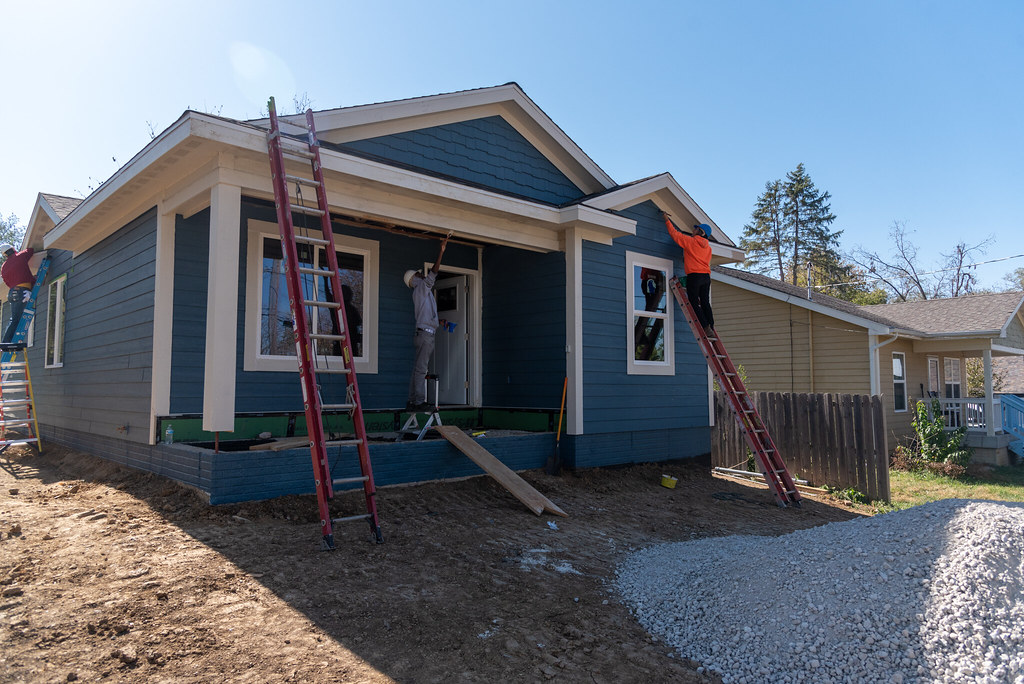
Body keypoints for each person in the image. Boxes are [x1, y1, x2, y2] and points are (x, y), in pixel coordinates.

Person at [404, 232, 451, 412]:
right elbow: (434, 273)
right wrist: (442, 250)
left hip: (422, 333)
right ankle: (418, 402)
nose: (422, 275)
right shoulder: (421, 287)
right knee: (421, 370)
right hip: (425, 336)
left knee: (417, 369)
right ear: (413, 279)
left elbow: (426, 315)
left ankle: (411, 400)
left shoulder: (422, 293)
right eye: (418, 273)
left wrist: (440, 321)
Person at [662, 214, 715, 337]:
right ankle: (711, 325)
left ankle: (706, 328)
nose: (693, 230)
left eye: (696, 229)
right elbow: (698, 256)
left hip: (695, 276)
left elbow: (675, 235)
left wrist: (667, 220)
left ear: (701, 232)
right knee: (705, 302)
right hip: (706, 277)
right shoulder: (708, 248)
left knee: (693, 302)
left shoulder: (691, 242)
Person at [1, 244, 37, 349]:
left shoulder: (4, 266)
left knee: (15, 319)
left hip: (12, 293)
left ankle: (8, 342)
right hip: (22, 292)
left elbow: (6, 281)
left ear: (5, 255)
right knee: (16, 319)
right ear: (13, 249)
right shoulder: (20, 256)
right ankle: (6, 343)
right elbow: (31, 249)